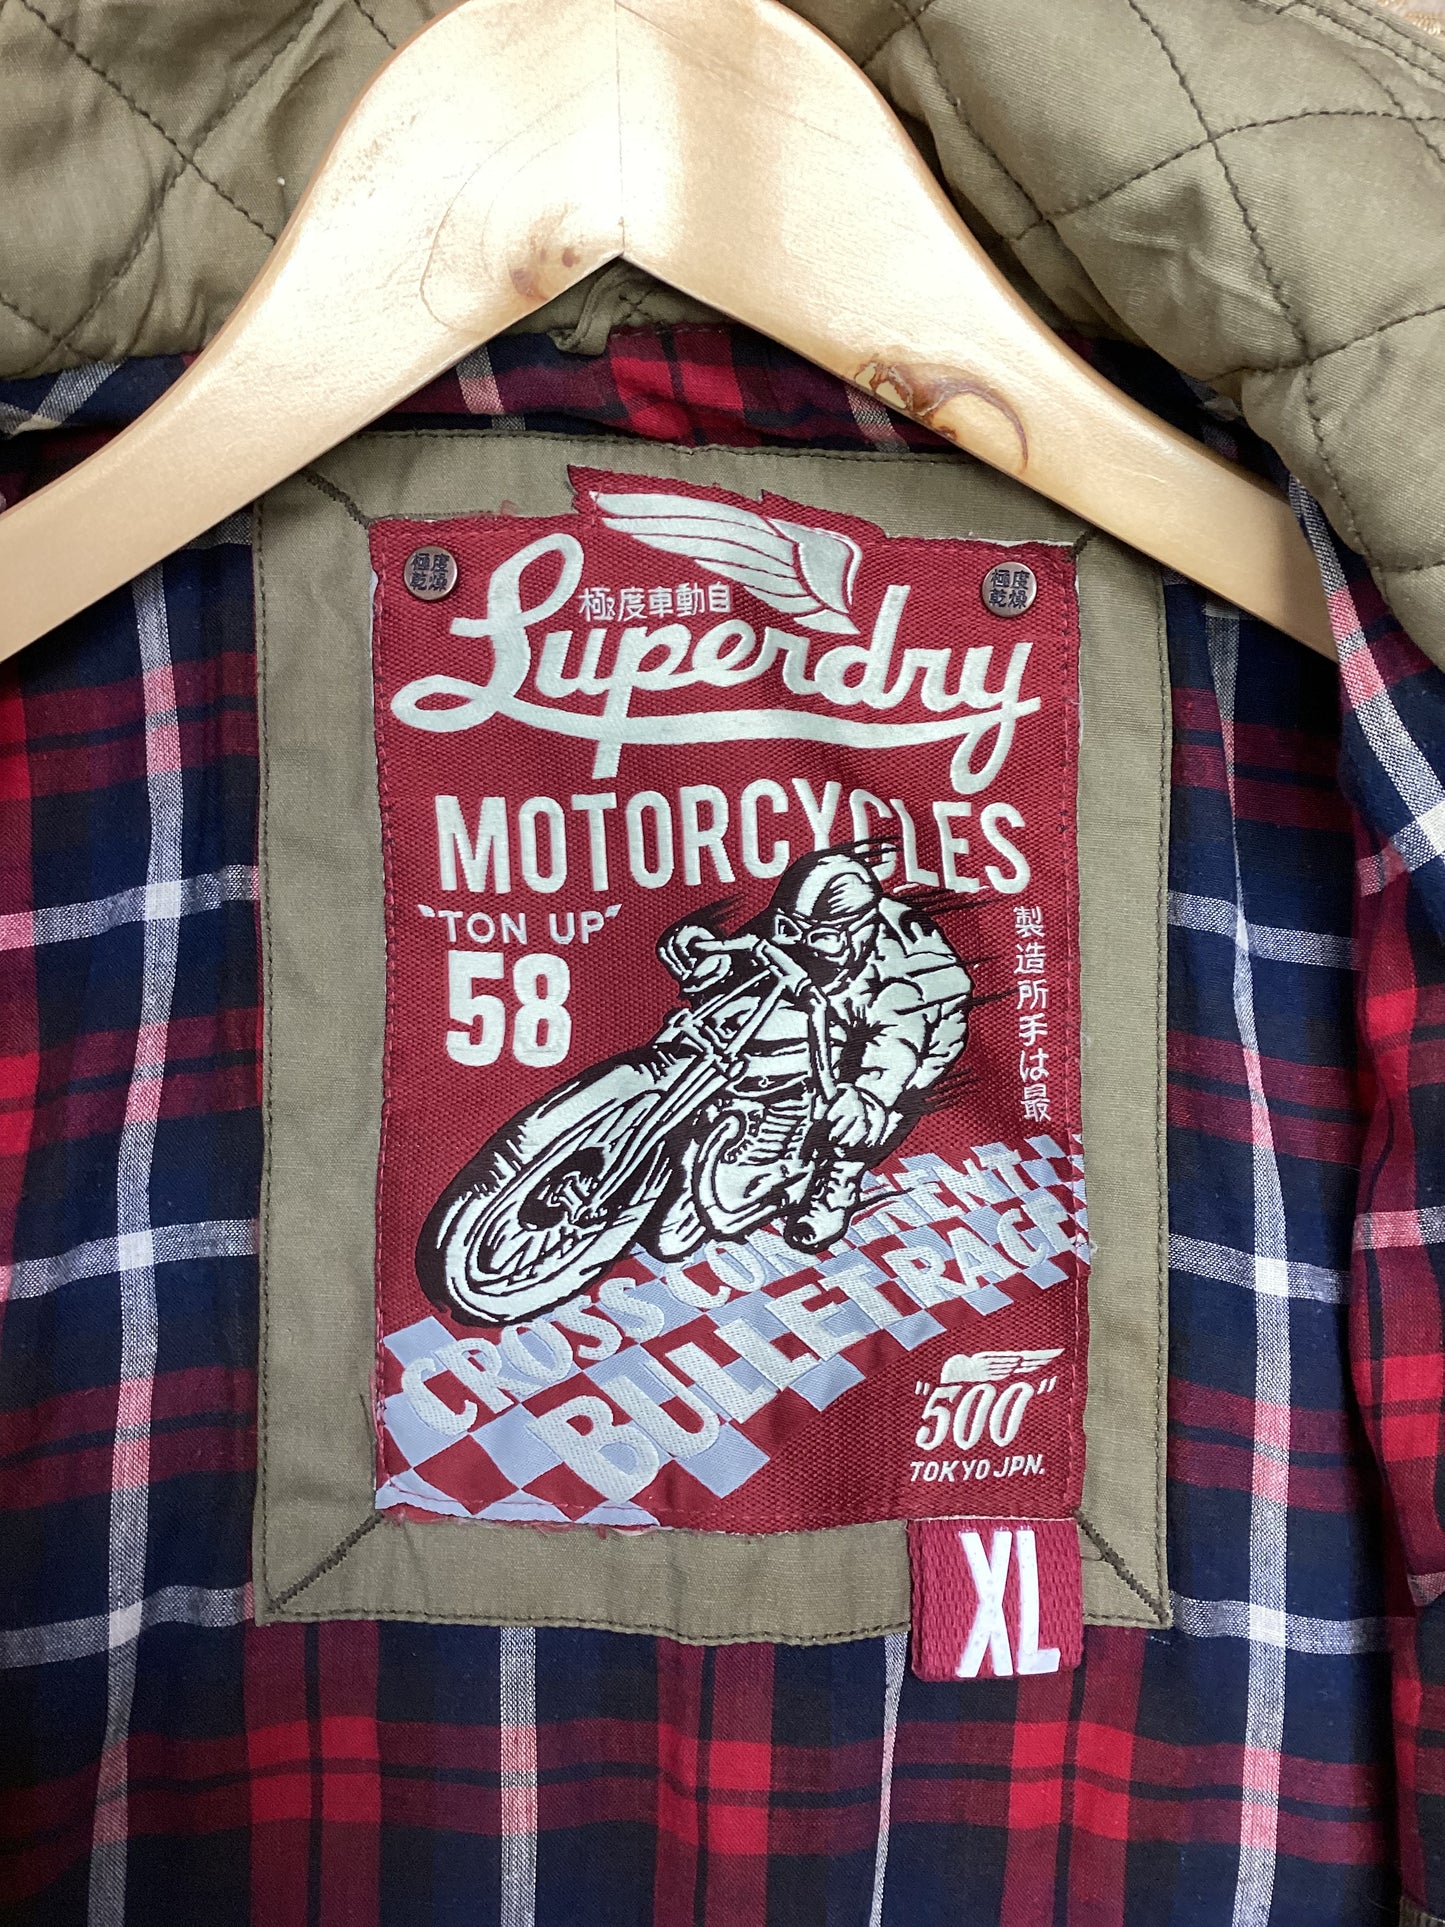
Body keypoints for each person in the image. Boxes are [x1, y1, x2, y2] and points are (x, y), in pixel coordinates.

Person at [655, 847, 974, 1253]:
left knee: (870, 1111)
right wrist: (705, 956)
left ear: (860, 932)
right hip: (833, 997)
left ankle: (841, 1178)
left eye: (822, 939)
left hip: (922, 1032)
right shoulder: (800, 925)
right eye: (790, 930)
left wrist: (867, 1096)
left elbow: (896, 1048)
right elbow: (751, 950)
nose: (803, 948)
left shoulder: (904, 981)